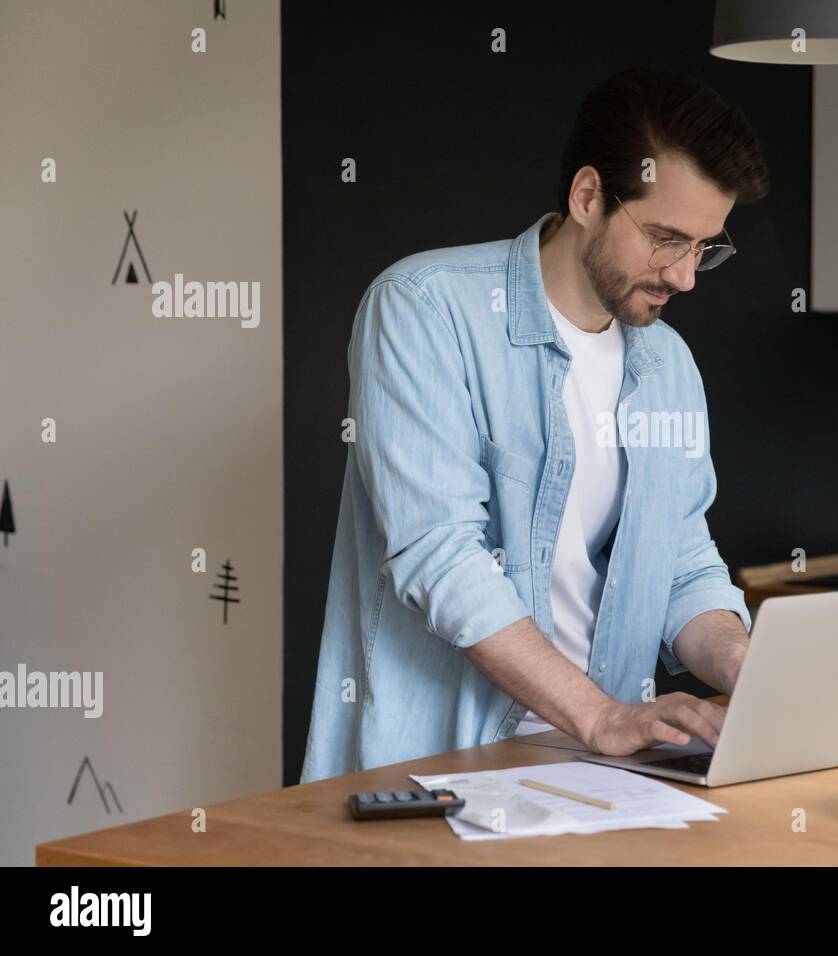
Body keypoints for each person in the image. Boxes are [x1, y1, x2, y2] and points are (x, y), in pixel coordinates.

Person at [301, 67, 770, 782]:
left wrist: (747, 669)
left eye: (705, 247)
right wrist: (603, 715)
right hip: (441, 771)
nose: (686, 277)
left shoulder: (667, 363)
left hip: (611, 771)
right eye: (667, 239)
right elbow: (440, 555)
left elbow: (682, 561)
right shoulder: (424, 309)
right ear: (589, 197)